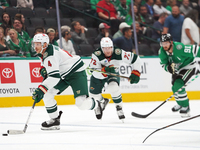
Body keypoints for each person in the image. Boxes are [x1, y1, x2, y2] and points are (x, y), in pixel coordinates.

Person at [31, 33, 103, 130]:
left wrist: (40, 89)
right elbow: (47, 66)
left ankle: (97, 104)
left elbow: (54, 77)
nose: (35, 46)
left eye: (38, 44)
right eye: (35, 44)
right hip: (63, 74)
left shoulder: (50, 54)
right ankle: (54, 120)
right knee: (47, 94)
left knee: (81, 104)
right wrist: (43, 70)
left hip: (75, 72)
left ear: (44, 44)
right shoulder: (45, 51)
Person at [89, 37, 141, 121]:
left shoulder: (119, 53)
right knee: (93, 96)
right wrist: (104, 70)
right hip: (99, 75)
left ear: (112, 47)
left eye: (109, 48)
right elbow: (94, 72)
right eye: (105, 48)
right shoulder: (96, 55)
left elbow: (136, 59)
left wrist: (136, 72)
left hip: (112, 73)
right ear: (102, 49)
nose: (108, 50)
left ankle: (119, 107)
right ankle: (102, 101)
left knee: (113, 87)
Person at [159, 33, 200, 117]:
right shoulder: (162, 52)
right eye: (163, 43)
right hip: (178, 69)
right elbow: (164, 64)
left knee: (178, 85)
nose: (164, 46)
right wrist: (168, 68)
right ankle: (180, 103)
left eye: (166, 43)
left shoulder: (179, 48)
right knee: (174, 87)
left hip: (189, 66)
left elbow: (196, 49)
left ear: (171, 42)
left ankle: (186, 106)